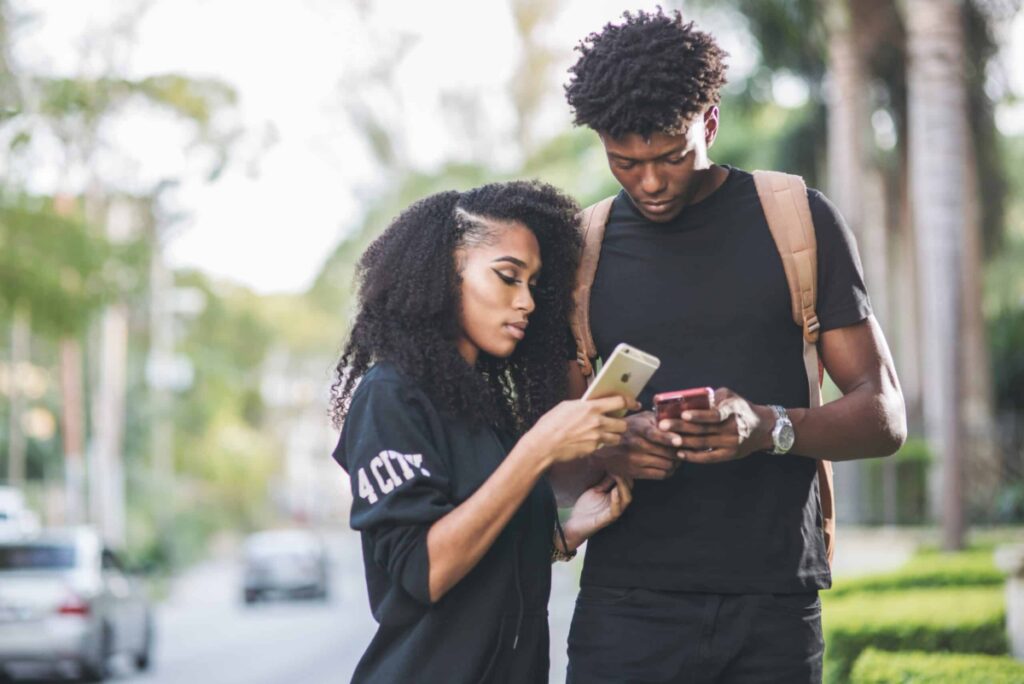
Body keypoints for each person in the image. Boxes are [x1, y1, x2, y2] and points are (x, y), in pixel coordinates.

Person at [555, 9, 908, 683]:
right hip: (626, 609)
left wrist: (767, 427)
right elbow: (552, 451)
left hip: (775, 607)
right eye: (625, 162)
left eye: (671, 156)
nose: (650, 183)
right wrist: (610, 443)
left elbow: (885, 417)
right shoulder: (585, 251)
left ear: (709, 123)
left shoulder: (797, 219)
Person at [329, 180, 636, 684]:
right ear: (444, 275)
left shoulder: (480, 401)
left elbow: (486, 556)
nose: (527, 303)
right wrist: (536, 451)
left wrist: (566, 532)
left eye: (533, 285)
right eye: (508, 277)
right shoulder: (389, 396)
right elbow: (424, 572)